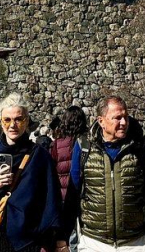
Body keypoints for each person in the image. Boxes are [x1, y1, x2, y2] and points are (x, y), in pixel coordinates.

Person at [0, 94, 67, 252]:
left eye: (18, 119)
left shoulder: (40, 156)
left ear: (27, 121)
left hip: (28, 242)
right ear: (1, 122)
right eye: (7, 120)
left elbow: (52, 201)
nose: (12, 125)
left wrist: (59, 240)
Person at [69, 95, 145, 251]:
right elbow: (73, 193)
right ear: (101, 121)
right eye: (117, 118)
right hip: (94, 242)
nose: (124, 122)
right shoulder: (84, 146)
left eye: (126, 117)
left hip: (134, 243)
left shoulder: (139, 147)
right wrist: (64, 236)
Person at [51, 106, 87, 252]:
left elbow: (52, 169)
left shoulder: (57, 143)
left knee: (67, 235)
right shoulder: (87, 142)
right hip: (85, 194)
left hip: (64, 195)